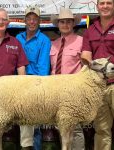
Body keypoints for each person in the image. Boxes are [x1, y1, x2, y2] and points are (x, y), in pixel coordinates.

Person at [16, 6, 51, 150]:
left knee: (35, 123)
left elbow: (43, 67)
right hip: (18, 83)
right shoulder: (18, 38)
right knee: (23, 121)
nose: (32, 22)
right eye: (29, 19)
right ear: (24, 21)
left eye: (35, 19)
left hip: (35, 84)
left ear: (39, 21)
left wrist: (38, 88)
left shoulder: (44, 40)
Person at [81, 0, 114, 149]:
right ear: (97, 6)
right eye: (102, 3)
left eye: (109, 3)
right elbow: (86, 57)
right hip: (98, 88)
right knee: (101, 129)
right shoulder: (90, 30)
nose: (105, 6)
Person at [50, 8, 85, 150]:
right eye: (62, 22)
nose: (65, 24)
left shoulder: (82, 41)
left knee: (75, 128)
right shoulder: (53, 44)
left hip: (73, 92)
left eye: (68, 22)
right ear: (58, 24)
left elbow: (86, 69)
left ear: (73, 24)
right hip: (55, 91)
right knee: (61, 127)